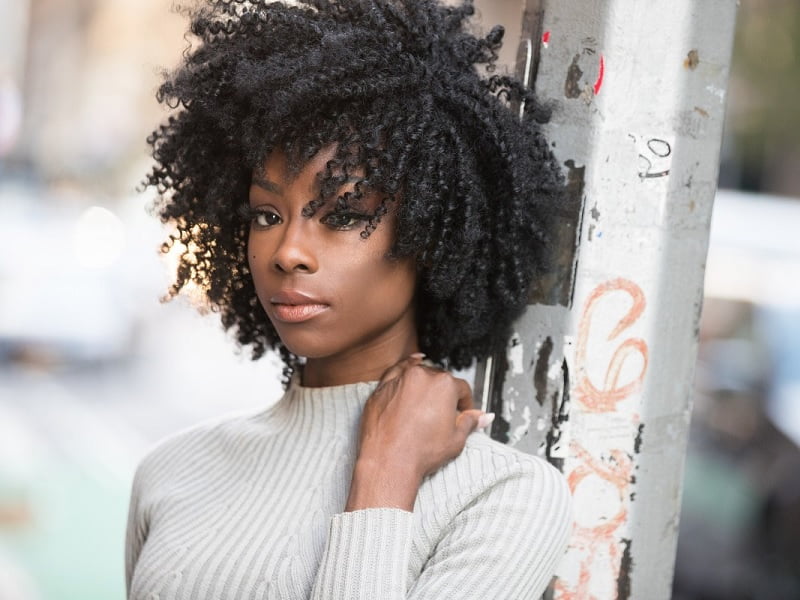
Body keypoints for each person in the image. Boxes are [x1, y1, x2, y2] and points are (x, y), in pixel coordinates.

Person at [125, 0, 572, 598]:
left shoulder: (504, 496)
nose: (288, 251)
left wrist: (383, 480)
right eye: (267, 213)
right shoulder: (171, 471)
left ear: (432, 231)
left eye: (343, 213)